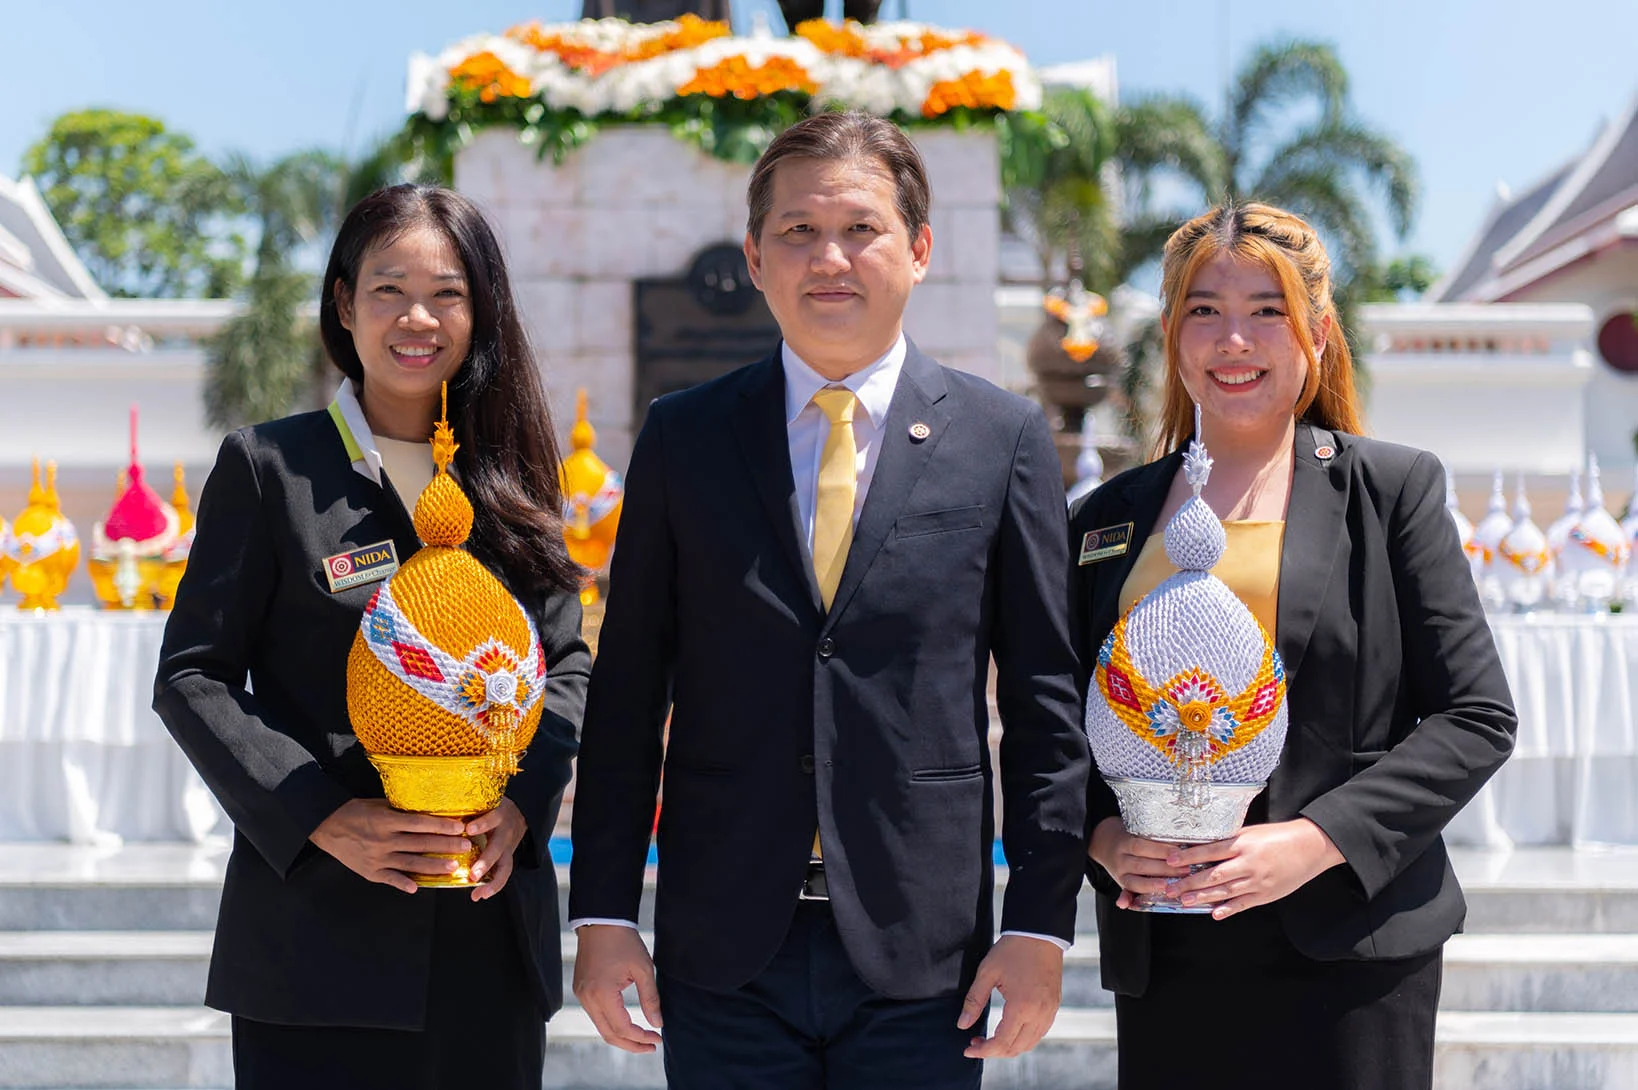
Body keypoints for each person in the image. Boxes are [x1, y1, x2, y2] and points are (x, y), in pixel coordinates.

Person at [569, 111, 1090, 1089]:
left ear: (920, 249)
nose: (829, 258)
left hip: (926, 953)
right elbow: (629, 691)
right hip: (724, 948)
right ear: (755, 258)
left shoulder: (1003, 438)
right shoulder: (684, 438)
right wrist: (603, 912)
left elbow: (1043, 703)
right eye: (798, 231)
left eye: (860, 229)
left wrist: (1038, 923)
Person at [1071, 201, 1517, 1090]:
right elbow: (1060, 715)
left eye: (1265, 311)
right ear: (1172, 333)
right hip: (1170, 950)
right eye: (1204, 310)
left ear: (1315, 332)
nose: (1232, 340)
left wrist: (1314, 842)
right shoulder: (1105, 519)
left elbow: (1476, 718)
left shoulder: (1390, 491)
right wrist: (1104, 836)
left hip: (1349, 947)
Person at [153, 184, 589, 1090]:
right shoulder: (271, 468)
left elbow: (567, 663)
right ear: (345, 304)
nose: (416, 318)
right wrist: (321, 816)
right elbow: (193, 675)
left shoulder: (516, 475)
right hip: (317, 943)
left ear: (481, 311)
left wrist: (521, 806)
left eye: (447, 293)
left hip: (488, 936)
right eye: (389, 289)